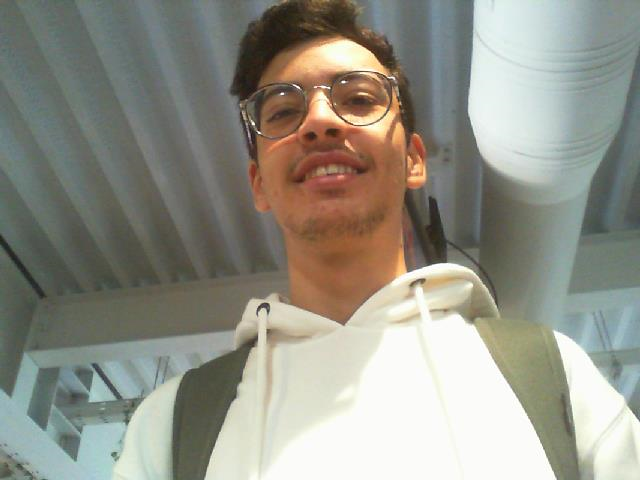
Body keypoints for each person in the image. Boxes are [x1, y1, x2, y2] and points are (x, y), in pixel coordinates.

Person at [112, 1, 640, 479]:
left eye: (359, 98)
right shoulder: (171, 426)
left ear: (413, 160)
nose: (319, 121)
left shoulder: (555, 376)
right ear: (259, 185)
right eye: (284, 112)